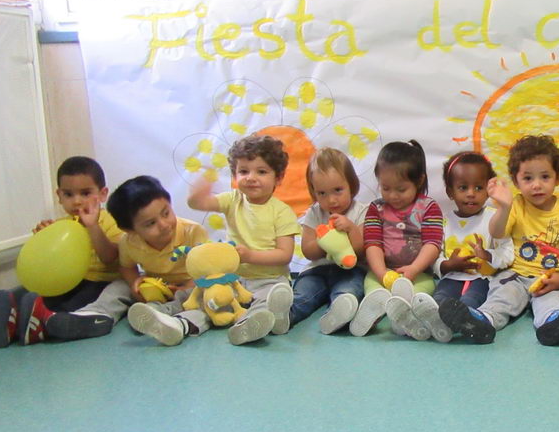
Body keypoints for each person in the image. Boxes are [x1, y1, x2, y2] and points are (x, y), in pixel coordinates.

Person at [439, 134, 559, 346]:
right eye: (528, 178)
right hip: (515, 274)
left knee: (551, 301)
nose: (536, 185)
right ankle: (483, 320)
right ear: (516, 181)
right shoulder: (516, 205)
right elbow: (497, 232)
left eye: (545, 177)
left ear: (558, 177)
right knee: (502, 296)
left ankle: (553, 324)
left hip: (549, 278)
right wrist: (504, 207)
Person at [23, 175, 209, 344]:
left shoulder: (191, 232)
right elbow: (126, 267)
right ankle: (95, 315)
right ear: (131, 230)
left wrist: (188, 286)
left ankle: (168, 318)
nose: (163, 224)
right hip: (156, 284)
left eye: (166, 213)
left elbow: (207, 267)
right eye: (150, 223)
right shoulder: (129, 242)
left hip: (191, 282)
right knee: (118, 287)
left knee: (203, 294)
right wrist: (134, 282)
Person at [0, 156, 124, 347]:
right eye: (68, 194)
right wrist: (43, 239)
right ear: (59, 196)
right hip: (66, 283)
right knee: (36, 297)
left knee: (67, 304)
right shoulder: (61, 225)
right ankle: (12, 322)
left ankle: (41, 324)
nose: (76, 201)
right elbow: (48, 265)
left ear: (102, 194)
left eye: (85, 193)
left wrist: (93, 227)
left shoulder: (111, 221)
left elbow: (110, 258)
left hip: (99, 282)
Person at [185, 134, 298, 345]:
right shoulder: (232, 200)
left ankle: (248, 324)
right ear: (234, 175)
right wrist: (198, 192)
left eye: (261, 171)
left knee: (268, 300)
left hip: (269, 279)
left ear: (279, 178)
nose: (251, 177)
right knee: (206, 302)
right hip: (232, 281)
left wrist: (250, 256)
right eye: (243, 171)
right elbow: (197, 203)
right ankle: (184, 324)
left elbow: (285, 255)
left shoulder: (282, 212)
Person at [411, 152, 513, 343]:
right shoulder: (444, 222)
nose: (471, 193)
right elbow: (434, 255)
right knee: (440, 298)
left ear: (488, 190)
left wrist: (487, 255)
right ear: (450, 192)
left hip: (480, 280)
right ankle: (426, 323)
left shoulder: (494, 218)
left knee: (469, 302)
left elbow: (508, 254)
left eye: (478, 187)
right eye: (463, 187)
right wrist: (448, 265)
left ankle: (467, 323)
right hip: (450, 278)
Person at [350, 140, 444, 340]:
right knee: (373, 286)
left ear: (419, 181)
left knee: (422, 291)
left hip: (418, 273)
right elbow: (372, 243)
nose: (393, 196)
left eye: (401, 189)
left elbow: (432, 245)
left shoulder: (428, 207)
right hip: (382, 271)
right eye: (385, 188)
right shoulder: (377, 208)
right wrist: (381, 272)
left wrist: (414, 269)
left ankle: (406, 310)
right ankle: (374, 312)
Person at [289, 148, 368, 335]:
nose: (331, 200)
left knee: (349, 290)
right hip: (317, 270)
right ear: (314, 193)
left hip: (351, 270)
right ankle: (284, 316)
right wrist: (323, 241)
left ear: (352, 185)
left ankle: (338, 314)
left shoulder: (361, 211)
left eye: (338, 190)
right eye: (322, 193)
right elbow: (308, 251)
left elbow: (362, 249)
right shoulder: (315, 213)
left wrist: (350, 228)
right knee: (303, 294)